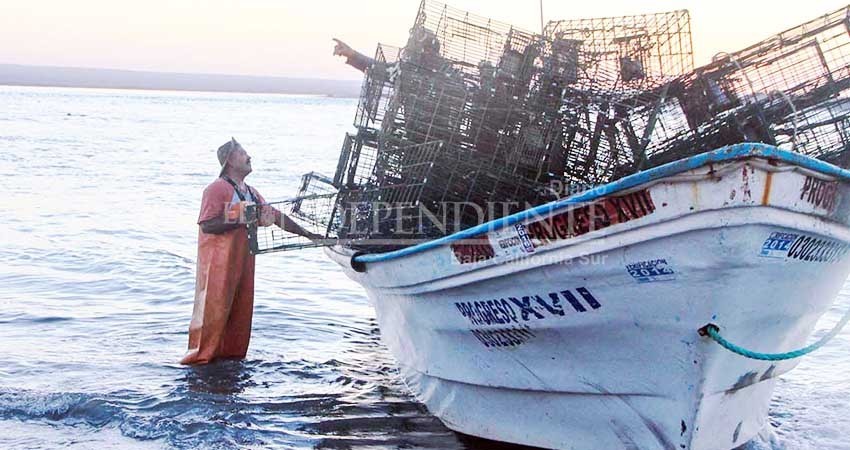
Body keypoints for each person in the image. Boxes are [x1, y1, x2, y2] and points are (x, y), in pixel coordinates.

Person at [180, 138, 316, 365]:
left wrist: (309, 235)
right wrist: (241, 218)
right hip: (217, 267)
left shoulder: (251, 193)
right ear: (230, 161)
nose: (249, 157)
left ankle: (230, 365)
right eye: (243, 153)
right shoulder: (216, 189)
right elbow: (207, 224)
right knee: (212, 316)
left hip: (244, 264)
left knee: (239, 319)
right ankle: (199, 362)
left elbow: (277, 216)